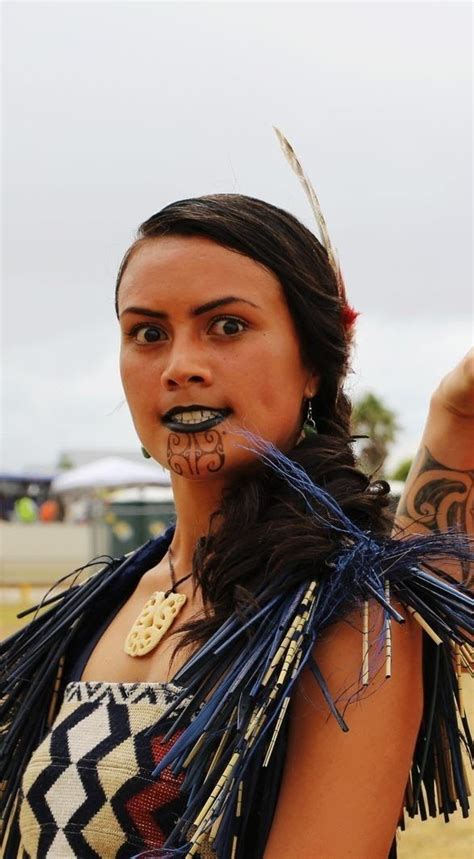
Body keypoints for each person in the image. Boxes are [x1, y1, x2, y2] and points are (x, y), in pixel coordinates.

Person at [2, 180, 472, 859]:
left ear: (313, 363)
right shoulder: (92, 607)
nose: (180, 366)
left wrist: (454, 416)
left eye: (227, 326)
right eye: (148, 333)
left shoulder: (353, 620)